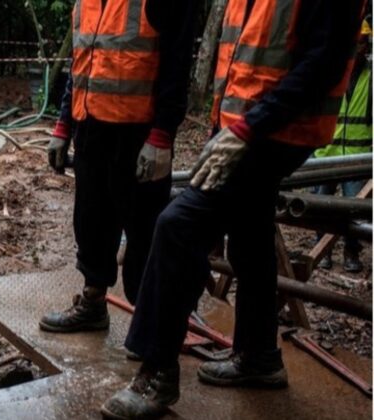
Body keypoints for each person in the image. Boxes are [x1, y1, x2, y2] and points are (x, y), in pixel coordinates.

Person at [102, 0, 364, 418]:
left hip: (280, 130)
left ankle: (156, 374)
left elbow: (325, 63)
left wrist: (246, 128)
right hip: (248, 127)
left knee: (177, 224)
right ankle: (259, 356)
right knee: (249, 227)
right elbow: (241, 65)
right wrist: (222, 128)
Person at [38, 0, 199, 334]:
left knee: (144, 231)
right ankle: (93, 304)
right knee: (91, 220)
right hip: (91, 126)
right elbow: (82, 61)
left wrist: (161, 135)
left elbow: (177, 62)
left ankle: (151, 326)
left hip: (136, 133)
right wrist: (63, 126)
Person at [313, 20, 372, 273]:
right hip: (327, 151)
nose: (358, 46)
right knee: (319, 205)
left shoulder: (371, 77)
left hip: (357, 155)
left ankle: (351, 251)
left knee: (354, 208)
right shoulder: (328, 72)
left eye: (362, 41)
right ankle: (321, 250)